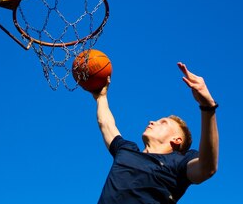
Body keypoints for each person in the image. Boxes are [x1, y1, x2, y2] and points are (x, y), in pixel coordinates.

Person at [92, 62, 219, 204]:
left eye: (163, 122)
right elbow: (106, 124)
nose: (152, 121)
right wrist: (101, 97)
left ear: (177, 140)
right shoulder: (126, 150)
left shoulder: (180, 162)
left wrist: (208, 108)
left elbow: (207, 167)